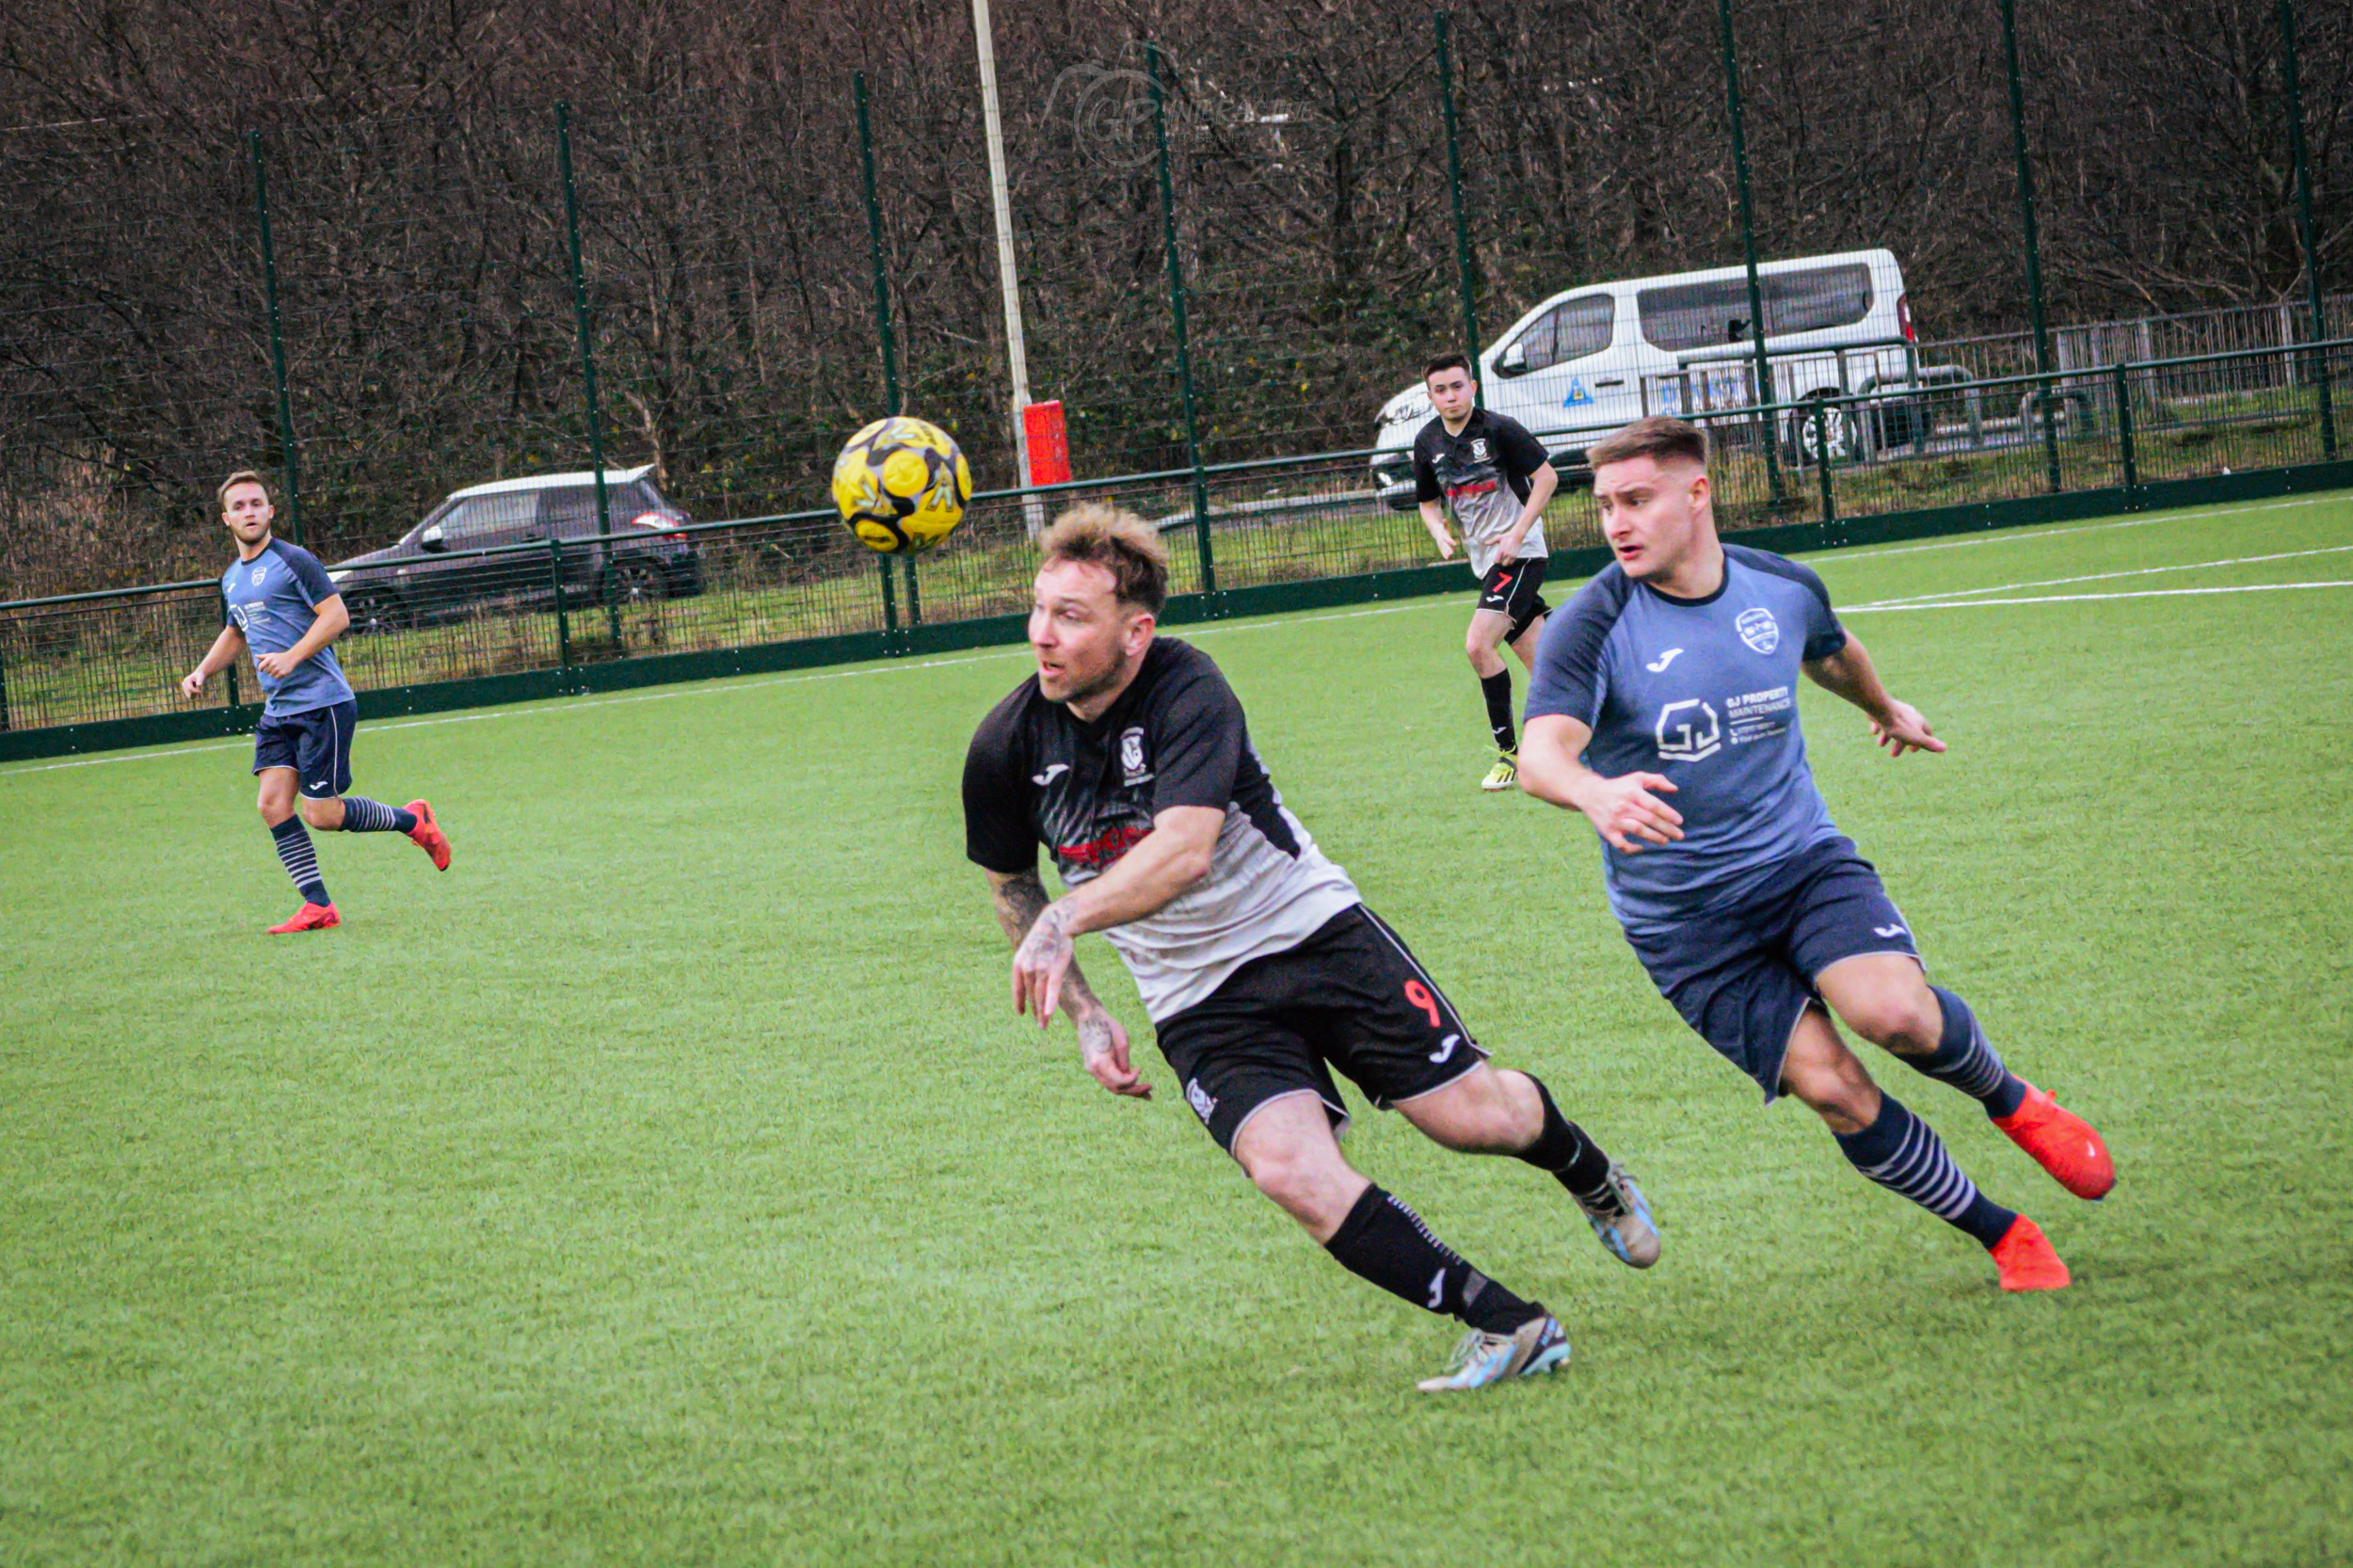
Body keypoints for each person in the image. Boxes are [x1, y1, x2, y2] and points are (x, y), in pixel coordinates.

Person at [962, 504, 1657, 1392]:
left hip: (1309, 933)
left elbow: (1185, 850)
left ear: (1136, 631)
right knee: (1287, 1169)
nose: (1042, 636)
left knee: (1474, 1119)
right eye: (1039, 608)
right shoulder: (1006, 743)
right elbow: (1013, 885)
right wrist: (1089, 1016)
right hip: (1194, 996)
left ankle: (1588, 1171)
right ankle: (1508, 1323)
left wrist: (1069, 919)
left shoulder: (1189, 689)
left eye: (1071, 615)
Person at [1515, 417, 2113, 1293]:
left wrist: (1884, 706)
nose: (1616, 523)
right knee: (1834, 1089)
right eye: (1605, 506)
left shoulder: (1780, 587)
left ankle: (2011, 1099)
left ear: (1698, 493)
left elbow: (1832, 654)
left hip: (1799, 864)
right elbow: (1540, 755)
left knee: (1895, 1016)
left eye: (1636, 500)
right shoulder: (1590, 625)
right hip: (1683, 924)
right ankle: (2000, 1231)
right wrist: (1594, 791)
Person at [180, 472, 450, 932]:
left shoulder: (294, 560)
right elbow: (236, 631)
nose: (249, 512)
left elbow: (337, 615)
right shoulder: (231, 578)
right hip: (279, 711)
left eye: (256, 503)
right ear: (226, 519)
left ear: (270, 511)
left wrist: (292, 656)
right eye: (239, 506)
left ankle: (413, 820)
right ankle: (319, 906)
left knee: (322, 815)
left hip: (322, 704)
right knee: (271, 805)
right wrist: (203, 670)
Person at [1411, 353, 1560, 792]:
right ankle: (1601, 725)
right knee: (1551, 663)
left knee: (1478, 645)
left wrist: (1517, 533)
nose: (1450, 395)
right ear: (1431, 396)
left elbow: (1548, 478)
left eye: (1457, 386)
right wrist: (1437, 531)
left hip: (1520, 556)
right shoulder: (1427, 442)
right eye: (1441, 389)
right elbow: (1427, 501)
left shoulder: (1499, 429)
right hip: (1486, 564)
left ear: (1472, 387)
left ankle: (1511, 755)